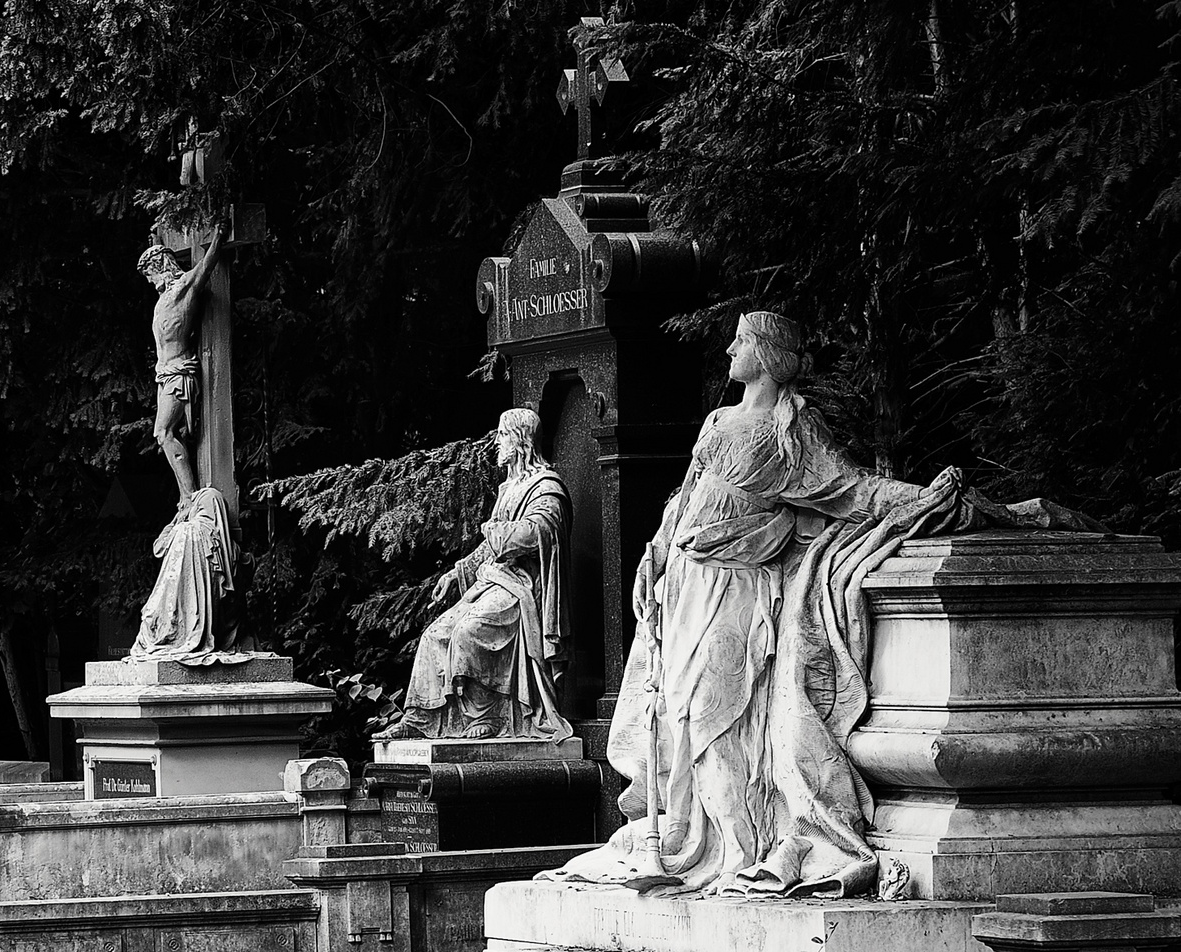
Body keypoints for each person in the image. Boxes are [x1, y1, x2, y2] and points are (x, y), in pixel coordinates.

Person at [544, 311, 965, 896]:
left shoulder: (791, 430)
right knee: (680, 713)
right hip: (684, 585)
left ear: (765, 354)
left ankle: (736, 844)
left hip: (738, 587)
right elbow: (683, 500)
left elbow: (850, 489)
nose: (729, 353)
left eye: (740, 342)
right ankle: (691, 833)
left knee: (717, 709)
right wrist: (654, 556)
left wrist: (925, 497)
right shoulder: (718, 422)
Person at [376, 408, 575, 742]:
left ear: (520, 440)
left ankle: (488, 715)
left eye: (502, 435)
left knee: (469, 632)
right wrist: (457, 573)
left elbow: (539, 531)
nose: (497, 442)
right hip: (494, 579)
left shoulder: (547, 487)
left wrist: (497, 532)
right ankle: (421, 717)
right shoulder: (509, 487)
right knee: (435, 634)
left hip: (523, 586)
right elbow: (488, 547)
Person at [137, 222, 227, 509]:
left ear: (162, 265)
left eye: (151, 274)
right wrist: (157, 240)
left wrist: (219, 238)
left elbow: (205, 268)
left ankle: (189, 496)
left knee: (163, 433)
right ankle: (185, 497)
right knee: (164, 434)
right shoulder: (163, 299)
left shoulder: (183, 288)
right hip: (165, 375)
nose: (151, 282)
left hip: (179, 372)